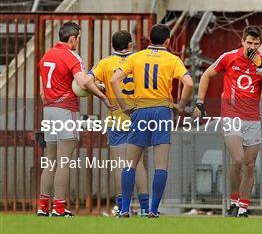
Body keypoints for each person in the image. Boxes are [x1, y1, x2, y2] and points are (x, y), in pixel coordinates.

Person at [111, 24, 194, 218]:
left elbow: (115, 80)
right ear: (167, 42)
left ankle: (124, 209)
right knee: (161, 164)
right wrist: (180, 106)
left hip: (140, 110)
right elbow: (189, 83)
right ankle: (153, 210)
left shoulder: (135, 57)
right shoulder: (172, 59)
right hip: (162, 111)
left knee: (130, 163)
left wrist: (123, 106)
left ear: (149, 39)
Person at [194, 26, 262, 217]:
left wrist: (261, 68)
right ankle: (233, 201)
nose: (252, 47)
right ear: (242, 41)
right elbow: (207, 74)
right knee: (238, 159)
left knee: (250, 165)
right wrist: (200, 101)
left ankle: (242, 208)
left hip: (253, 119)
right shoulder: (229, 57)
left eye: (256, 44)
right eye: (249, 43)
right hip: (231, 115)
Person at [37, 22, 116, 217]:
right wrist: (102, 95)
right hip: (65, 111)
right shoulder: (71, 56)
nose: (79, 41)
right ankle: (59, 208)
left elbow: (42, 92)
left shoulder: (46, 55)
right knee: (64, 161)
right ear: (72, 39)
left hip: (49, 111)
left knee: (50, 161)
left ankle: (42, 206)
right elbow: (82, 82)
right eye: (79, 38)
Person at [89, 30, 149, 216]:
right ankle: (146, 209)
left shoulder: (105, 63)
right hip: (138, 117)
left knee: (121, 164)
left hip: (118, 119)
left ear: (113, 46)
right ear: (130, 45)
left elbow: (85, 82)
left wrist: (102, 93)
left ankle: (123, 208)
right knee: (138, 164)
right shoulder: (139, 60)